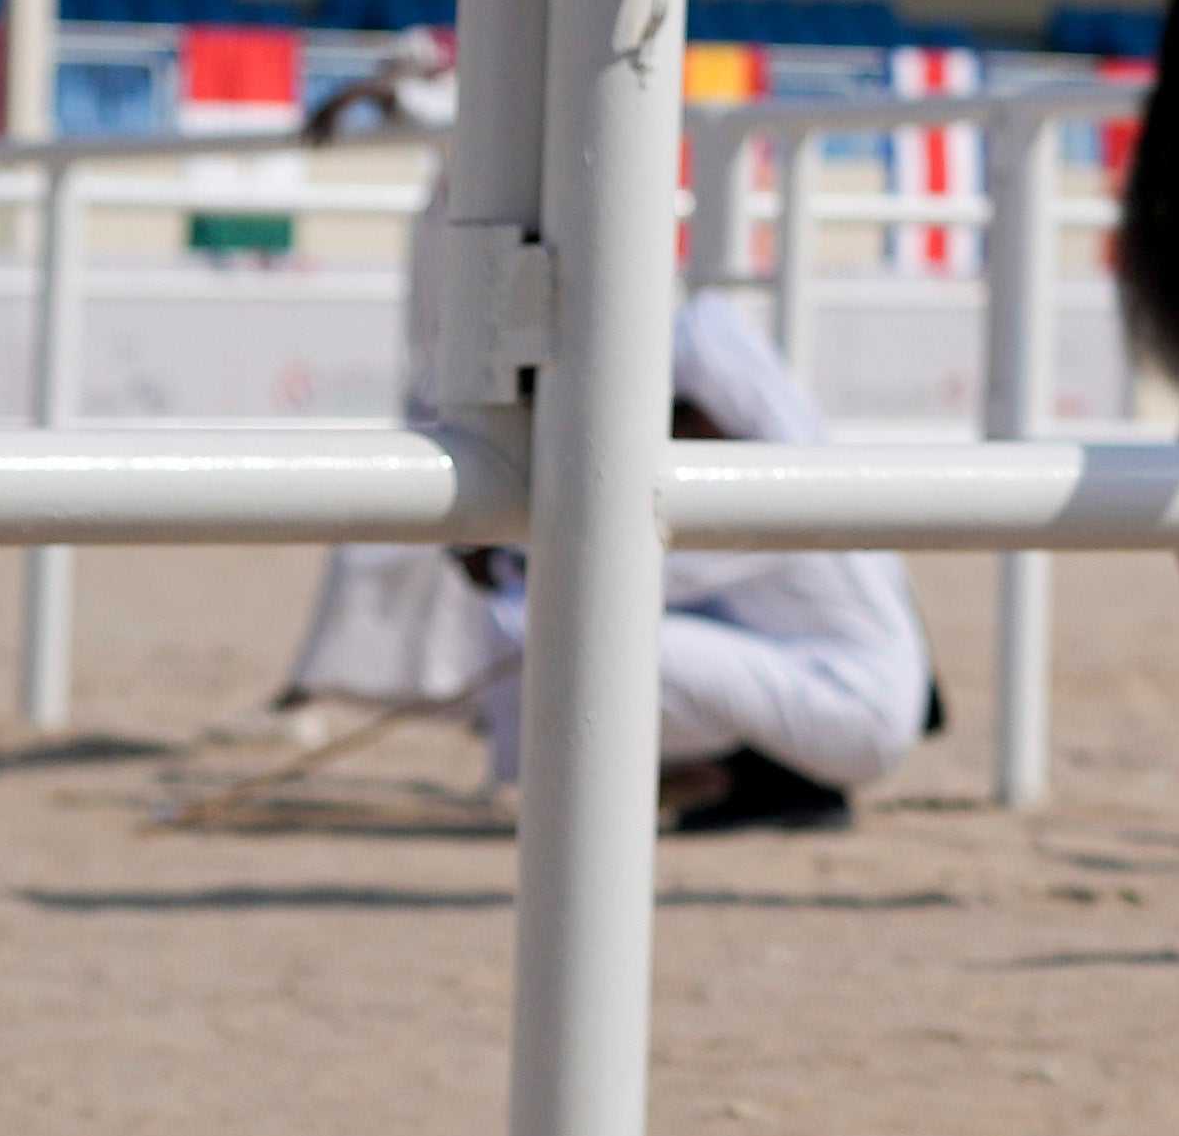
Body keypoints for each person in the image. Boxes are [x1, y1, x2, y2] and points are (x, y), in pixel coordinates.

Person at [337, 294, 935, 832]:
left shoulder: (766, 493)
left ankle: (755, 777)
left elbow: (612, 579)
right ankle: (740, 775)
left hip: (855, 712)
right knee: (557, 624)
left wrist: (500, 561)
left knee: (563, 632)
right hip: (828, 685)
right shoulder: (787, 459)